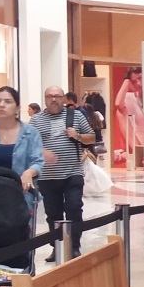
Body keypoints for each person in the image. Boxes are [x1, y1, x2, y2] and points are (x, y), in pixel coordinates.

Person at [29, 86, 97, 260]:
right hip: (48, 176)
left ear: (63, 98)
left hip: (72, 173)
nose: (53, 99)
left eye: (57, 96)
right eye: (50, 96)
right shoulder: (36, 120)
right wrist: (42, 152)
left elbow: (92, 137)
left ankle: (74, 246)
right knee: (53, 214)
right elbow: (29, 144)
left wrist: (78, 136)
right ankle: (57, 247)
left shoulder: (76, 116)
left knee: (74, 208)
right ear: (45, 98)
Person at [114, 67, 144, 162]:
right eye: (134, 81)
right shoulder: (129, 98)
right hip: (139, 144)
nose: (139, 83)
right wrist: (126, 82)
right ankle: (139, 153)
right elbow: (118, 104)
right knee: (120, 112)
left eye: (140, 78)